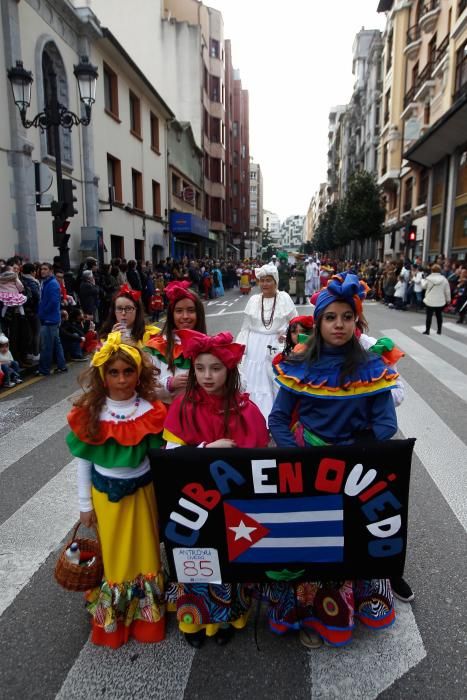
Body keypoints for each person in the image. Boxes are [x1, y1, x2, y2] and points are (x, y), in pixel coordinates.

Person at [268, 273, 399, 648]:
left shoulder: (371, 366)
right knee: (309, 537)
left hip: (353, 470)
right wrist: (298, 459)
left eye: (347, 317)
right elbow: (278, 418)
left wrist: (353, 456)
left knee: (348, 537)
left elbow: (386, 424)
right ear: (318, 322)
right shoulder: (300, 364)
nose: (339, 324)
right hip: (307, 464)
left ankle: (341, 611)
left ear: (356, 322)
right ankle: (305, 612)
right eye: (330, 317)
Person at [163, 329, 269, 648]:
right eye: (200, 368)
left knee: (230, 560)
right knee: (197, 561)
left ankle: (228, 617)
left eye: (216, 368)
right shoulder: (182, 406)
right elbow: (170, 458)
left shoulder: (247, 410)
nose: (207, 376)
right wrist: (208, 448)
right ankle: (194, 621)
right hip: (194, 505)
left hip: (232, 504)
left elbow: (260, 462)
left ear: (230, 370)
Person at [66, 332, 167, 648]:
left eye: (128, 371)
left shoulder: (151, 409)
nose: (122, 379)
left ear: (139, 373)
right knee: (115, 555)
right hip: (106, 497)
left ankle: (146, 618)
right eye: (114, 372)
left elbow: (161, 456)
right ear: (102, 376)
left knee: (146, 549)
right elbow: (84, 462)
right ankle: (116, 618)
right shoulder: (92, 413)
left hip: (144, 493)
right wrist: (85, 503)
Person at [237, 263, 296, 420]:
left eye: (268, 280)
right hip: (254, 345)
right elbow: (246, 327)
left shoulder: (284, 298)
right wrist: (240, 347)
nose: (265, 284)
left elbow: (294, 323)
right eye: (262, 280)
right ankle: (252, 416)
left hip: (275, 345)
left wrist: (287, 335)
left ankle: (273, 417)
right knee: (253, 378)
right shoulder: (254, 300)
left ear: (275, 282)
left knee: (273, 380)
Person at [145, 280, 206, 404]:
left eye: (191, 310)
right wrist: (169, 384)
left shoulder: (209, 345)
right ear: (171, 315)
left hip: (201, 414)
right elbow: (147, 387)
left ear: (199, 313)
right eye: (179, 311)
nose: (185, 316)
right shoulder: (157, 346)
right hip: (167, 417)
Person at [36, 263, 67, 376]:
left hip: (49, 319)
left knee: (46, 346)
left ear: (50, 271)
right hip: (51, 318)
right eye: (41, 269)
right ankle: (62, 366)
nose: (42, 271)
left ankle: (44, 370)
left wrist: (43, 313)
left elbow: (54, 302)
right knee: (56, 344)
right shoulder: (47, 282)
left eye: (45, 269)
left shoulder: (52, 284)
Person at [421, 264, 451, 335]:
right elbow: (447, 291)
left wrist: (423, 280)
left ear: (432, 270)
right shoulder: (444, 279)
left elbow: (423, 287)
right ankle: (439, 330)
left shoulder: (428, 278)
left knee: (429, 315)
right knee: (439, 315)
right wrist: (448, 299)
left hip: (430, 300)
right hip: (440, 301)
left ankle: (427, 330)